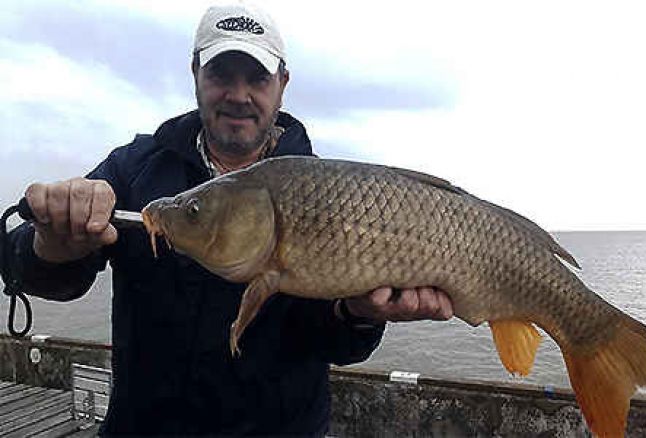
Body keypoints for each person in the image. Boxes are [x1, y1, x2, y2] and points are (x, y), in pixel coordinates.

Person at [7, 3, 453, 436]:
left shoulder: (327, 192)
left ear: (282, 83)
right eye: (221, 74)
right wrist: (51, 247)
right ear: (196, 74)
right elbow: (38, 272)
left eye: (257, 78)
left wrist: (360, 314)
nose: (239, 95)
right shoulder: (135, 169)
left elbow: (338, 345)